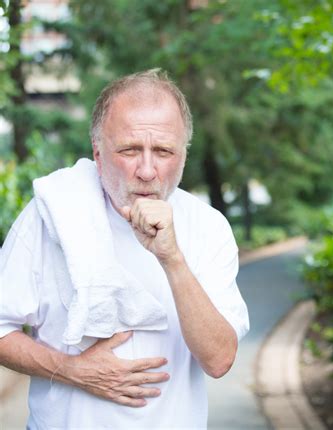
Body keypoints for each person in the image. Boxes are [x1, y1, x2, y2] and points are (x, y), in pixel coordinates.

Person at [0, 69, 249, 429]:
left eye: (163, 151)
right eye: (130, 150)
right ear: (98, 153)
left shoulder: (208, 227)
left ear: (183, 156)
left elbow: (219, 359)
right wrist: (71, 370)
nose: (147, 171)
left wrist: (172, 258)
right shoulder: (51, 213)